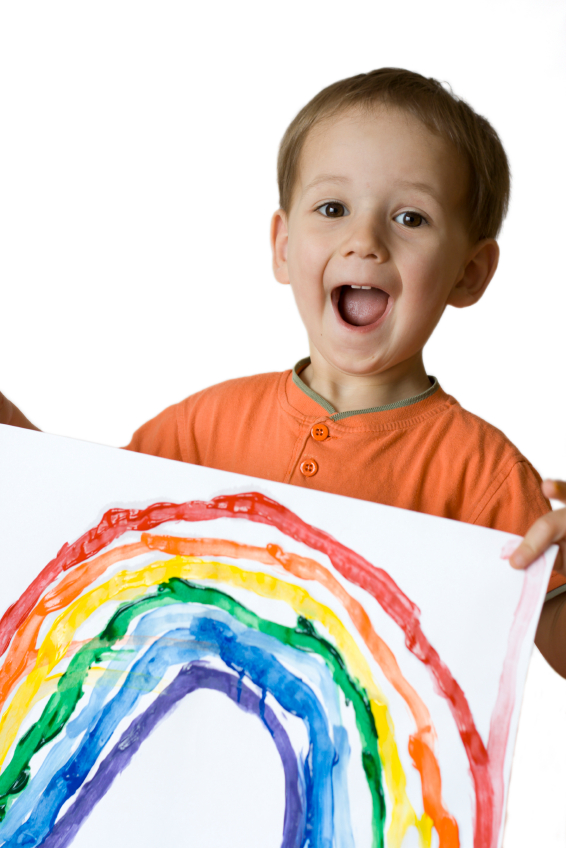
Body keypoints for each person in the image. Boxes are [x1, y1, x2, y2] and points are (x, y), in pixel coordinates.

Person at [1, 68, 564, 674]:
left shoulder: (485, 477)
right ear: (283, 246)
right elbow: (86, 515)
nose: (364, 240)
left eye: (411, 218)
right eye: (333, 207)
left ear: (470, 272)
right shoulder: (206, 424)